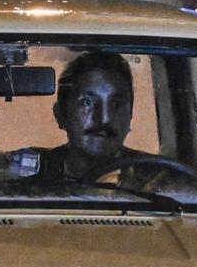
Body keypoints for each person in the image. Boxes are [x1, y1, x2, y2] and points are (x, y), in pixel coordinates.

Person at [22, 50, 151, 184]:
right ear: (60, 114)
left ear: (130, 114)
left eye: (116, 104)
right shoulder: (32, 172)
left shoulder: (157, 180)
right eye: (87, 102)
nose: (104, 118)